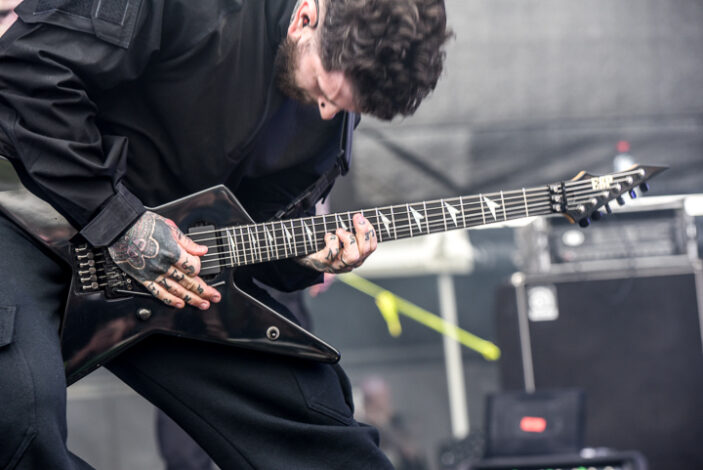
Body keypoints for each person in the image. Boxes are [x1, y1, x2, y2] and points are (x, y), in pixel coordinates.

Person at [0, 0, 450, 468]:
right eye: (324, 90)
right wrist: (119, 222)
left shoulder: (333, 99)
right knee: (18, 419)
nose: (325, 111)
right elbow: (29, 74)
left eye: (346, 108)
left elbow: (254, 220)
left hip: (170, 273)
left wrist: (301, 256)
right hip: (25, 212)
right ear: (305, 17)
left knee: (320, 426)